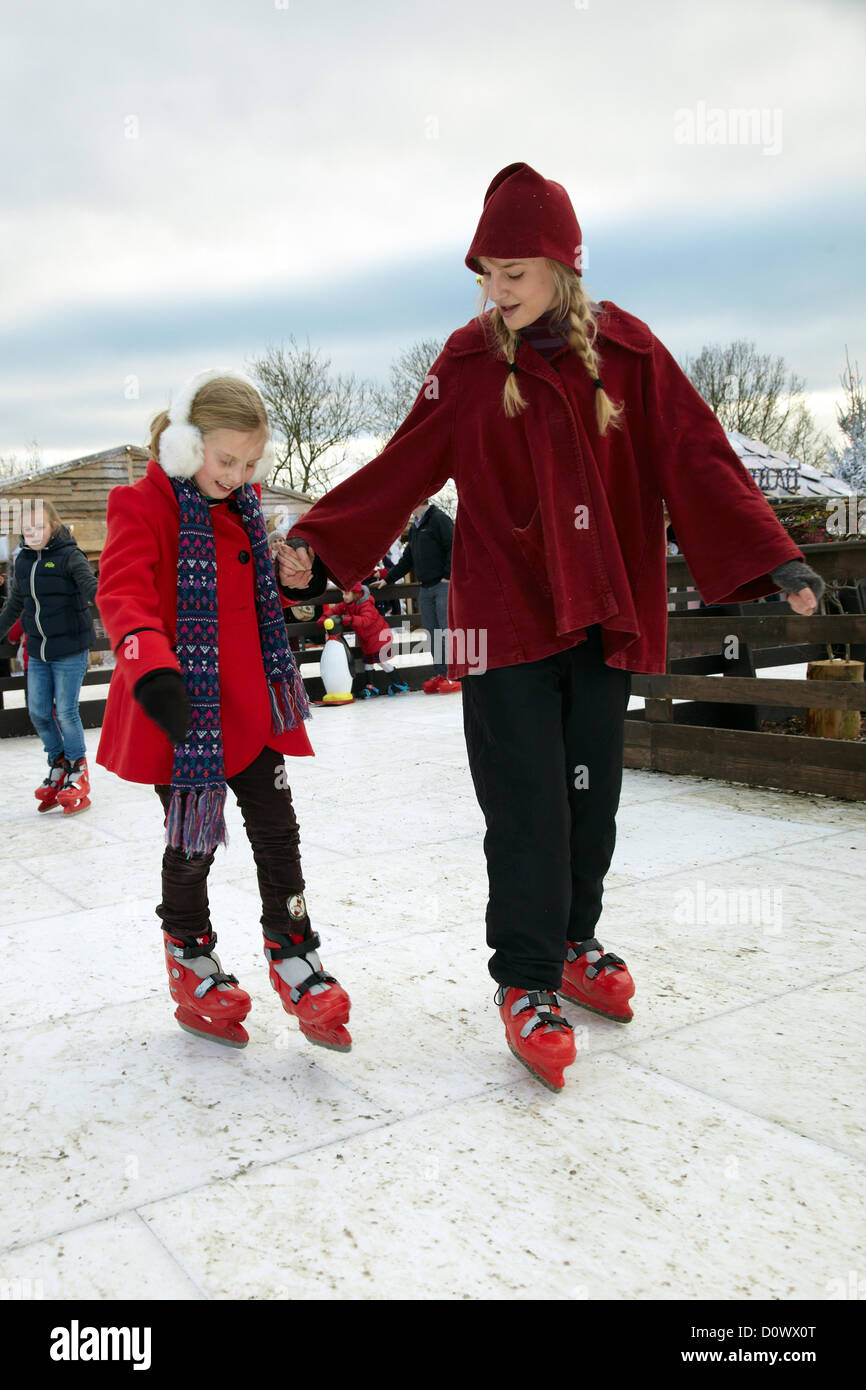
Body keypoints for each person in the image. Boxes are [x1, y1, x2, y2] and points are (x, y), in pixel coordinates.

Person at [274, 161, 824, 1092]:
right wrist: (319, 546)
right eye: (485, 274)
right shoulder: (469, 362)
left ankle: (575, 942)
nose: (497, 292)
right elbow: (404, 464)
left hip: (600, 616)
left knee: (588, 798)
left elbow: (697, 452)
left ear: (563, 265)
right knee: (525, 807)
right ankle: (525, 982)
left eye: (513, 273)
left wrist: (776, 555)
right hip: (502, 624)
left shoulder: (633, 354)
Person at [94, 369, 352, 1052]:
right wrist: (151, 668)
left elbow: (251, 594)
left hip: (249, 707)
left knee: (278, 831)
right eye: (224, 460)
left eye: (248, 463)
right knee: (194, 841)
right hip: (179, 711)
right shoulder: (141, 504)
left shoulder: (242, 508)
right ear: (185, 445)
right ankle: (191, 958)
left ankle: (296, 955)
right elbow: (123, 595)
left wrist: (294, 577)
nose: (237, 475)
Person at [0, 501, 98, 813]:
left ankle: (78, 770)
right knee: (39, 711)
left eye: (39, 527)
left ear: (53, 525)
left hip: (70, 648)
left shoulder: (70, 556)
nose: (33, 533)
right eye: (27, 529)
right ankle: (59, 765)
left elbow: (92, 589)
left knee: (65, 712)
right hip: (39, 650)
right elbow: (16, 601)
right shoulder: (23, 561)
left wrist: (117, 610)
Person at [372, 498, 460, 693]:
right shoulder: (415, 528)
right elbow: (407, 559)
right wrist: (389, 579)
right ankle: (441, 673)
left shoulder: (439, 520)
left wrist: (447, 575)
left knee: (446, 631)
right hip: (426, 588)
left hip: (442, 585)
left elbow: (454, 546)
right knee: (432, 633)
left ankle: (455, 675)